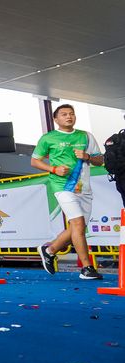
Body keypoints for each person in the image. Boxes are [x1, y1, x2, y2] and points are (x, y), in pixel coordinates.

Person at [32, 104, 105, 280]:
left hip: (84, 188)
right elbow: (35, 161)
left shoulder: (86, 136)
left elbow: (100, 160)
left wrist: (87, 157)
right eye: (64, 114)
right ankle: (87, 268)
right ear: (56, 119)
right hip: (63, 187)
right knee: (78, 224)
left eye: (71, 114)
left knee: (76, 228)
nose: (69, 117)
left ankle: (49, 250)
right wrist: (53, 169)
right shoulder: (48, 138)